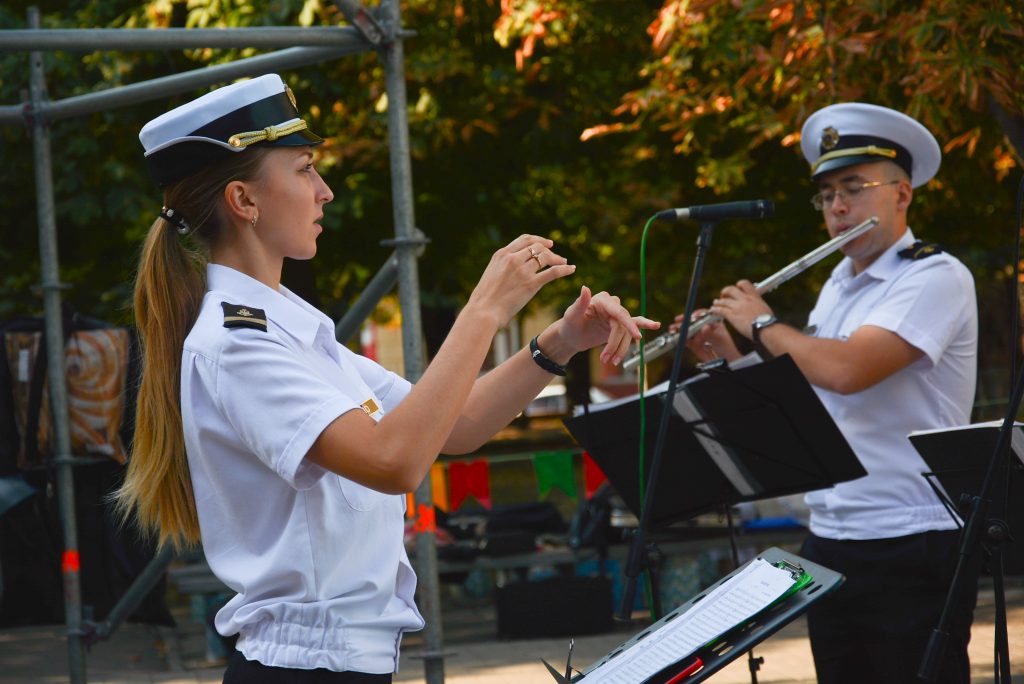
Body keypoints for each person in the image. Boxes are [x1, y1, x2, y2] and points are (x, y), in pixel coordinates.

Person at [114, 73, 659, 683]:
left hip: (335, 664)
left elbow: (459, 424)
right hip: (305, 669)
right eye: (303, 169)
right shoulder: (236, 342)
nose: (323, 191)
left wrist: (559, 341)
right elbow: (394, 460)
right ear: (244, 200)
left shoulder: (291, 329)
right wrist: (482, 311)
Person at [685, 102, 978, 683]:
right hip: (833, 538)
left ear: (902, 193)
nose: (838, 208)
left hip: (910, 540)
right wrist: (733, 355)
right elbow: (812, 400)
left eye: (853, 188)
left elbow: (848, 371)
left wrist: (763, 327)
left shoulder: (933, 276)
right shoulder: (838, 285)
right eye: (826, 195)